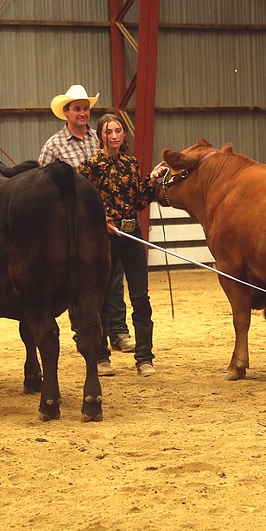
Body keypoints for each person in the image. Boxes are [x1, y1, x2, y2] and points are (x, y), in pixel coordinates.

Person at [39, 83, 135, 353]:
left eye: (85, 108)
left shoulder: (100, 137)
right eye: (77, 109)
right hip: (69, 222)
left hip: (105, 219)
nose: (82, 113)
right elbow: (42, 183)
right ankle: (83, 331)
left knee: (112, 276)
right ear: (66, 112)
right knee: (75, 277)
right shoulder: (53, 146)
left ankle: (117, 330)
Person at [78, 114, 168, 377]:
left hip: (131, 234)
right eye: (109, 132)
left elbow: (138, 200)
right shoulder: (90, 166)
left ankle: (144, 357)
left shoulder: (131, 164)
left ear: (124, 136)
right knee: (103, 297)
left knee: (141, 297)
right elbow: (83, 202)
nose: (115, 136)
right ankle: (101, 356)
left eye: (118, 131)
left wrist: (150, 180)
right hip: (105, 237)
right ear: (101, 136)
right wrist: (101, 219)